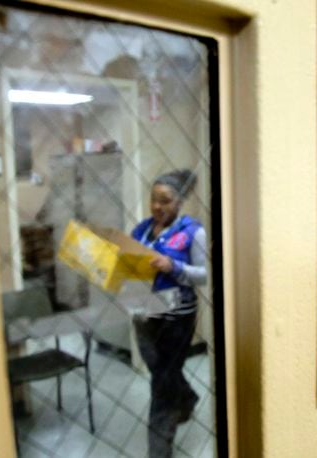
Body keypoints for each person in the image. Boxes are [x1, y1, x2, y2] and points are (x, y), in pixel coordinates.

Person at [132, 169, 207, 458]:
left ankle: (159, 451)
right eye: (153, 199)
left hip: (177, 317)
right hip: (144, 314)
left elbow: (204, 275)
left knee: (161, 385)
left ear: (179, 202)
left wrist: (172, 267)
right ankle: (187, 398)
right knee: (162, 371)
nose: (157, 206)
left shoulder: (192, 232)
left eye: (164, 201)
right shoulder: (141, 230)